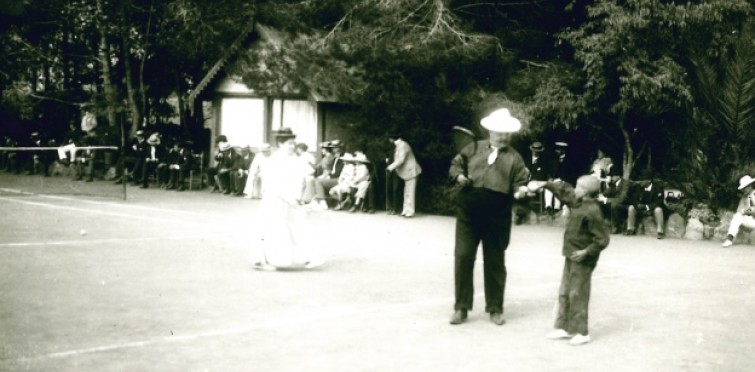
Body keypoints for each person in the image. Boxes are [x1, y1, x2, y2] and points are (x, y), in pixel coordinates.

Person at [448, 107, 530, 326]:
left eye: (507, 133)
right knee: (464, 257)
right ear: (490, 131)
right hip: (468, 212)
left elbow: (520, 182)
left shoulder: (515, 158)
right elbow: (455, 166)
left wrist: (521, 191)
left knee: (495, 261)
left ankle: (495, 308)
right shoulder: (472, 148)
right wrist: (459, 177)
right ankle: (461, 308)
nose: (503, 136)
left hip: (497, 215)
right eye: (499, 132)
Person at [528, 175, 610, 346]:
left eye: (579, 187)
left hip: (583, 259)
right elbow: (563, 191)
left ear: (586, 193)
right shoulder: (577, 201)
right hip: (570, 255)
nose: (575, 190)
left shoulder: (593, 211)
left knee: (578, 293)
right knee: (564, 291)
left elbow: (602, 239)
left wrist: (587, 252)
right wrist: (545, 183)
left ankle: (581, 331)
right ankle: (562, 327)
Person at [250, 127, 325, 271]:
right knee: (272, 231)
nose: (292, 146)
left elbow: (301, 177)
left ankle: (309, 258)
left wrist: (300, 200)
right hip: (275, 200)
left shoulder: (293, 159)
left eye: (293, 143)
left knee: (298, 227)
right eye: (288, 143)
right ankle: (262, 261)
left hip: (288, 199)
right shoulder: (275, 160)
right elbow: (273, 185)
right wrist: (292, 201)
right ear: (280, 144)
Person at [386, 133, 422, 217]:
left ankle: (410, 212)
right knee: (406, 192)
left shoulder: (402, 145)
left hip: (411, 171)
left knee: (410, 192)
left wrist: (390, 167)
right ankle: (405, 211)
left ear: (391, 139)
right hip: (408, 172)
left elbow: (400, 160)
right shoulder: (400, 145)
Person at [625, 174, 668, 239]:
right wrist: (638, 205)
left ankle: (660, 232)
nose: (640, 182)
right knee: (631, 208)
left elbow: (659, 202)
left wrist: (647, 207)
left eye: (642, 180)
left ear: (649, 180)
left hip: (652, 208)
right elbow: (633, 199)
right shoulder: (639, 187)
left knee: (658, 210)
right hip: (641, 207)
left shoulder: (658, 188)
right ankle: (630, 229)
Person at [722, 175, 755, 248]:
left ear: (750, 186)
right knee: (737, 216)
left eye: (745, 188)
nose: (743, 190)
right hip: (750, 221)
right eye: (743, 188)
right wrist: (744, 211)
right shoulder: (744, 197)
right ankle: (729, 239)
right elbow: (739, 211)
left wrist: (746, 210)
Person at [311, 140, 345, 210]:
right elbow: (332, 170)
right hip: (335, 177)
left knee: (319, 181)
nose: (334, 149)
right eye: (333, 148)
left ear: (340, 148)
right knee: (317, 180)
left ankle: (322, 202)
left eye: (336, 148)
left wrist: (329, 176)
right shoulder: (335, 158)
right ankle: (317, 201)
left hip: (340, 179)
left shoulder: (343, 158)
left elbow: (339, 172)